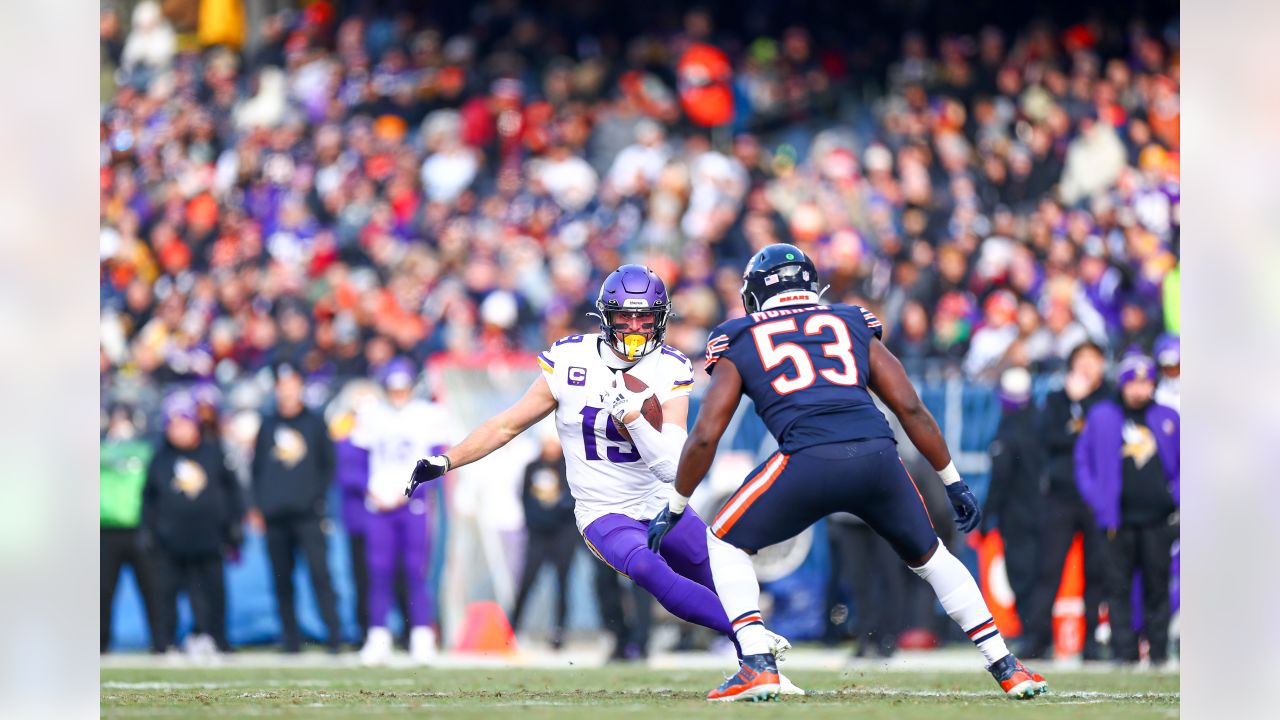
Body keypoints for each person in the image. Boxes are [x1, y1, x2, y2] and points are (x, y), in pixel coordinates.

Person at [649, 244, 1047, 700]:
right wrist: (952, 479)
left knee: (723, 540)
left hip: (807, 458)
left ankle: (757, 662)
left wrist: (676, 504)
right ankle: (1005, 663)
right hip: (878, 457)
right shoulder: (850, 320)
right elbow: (911, 406)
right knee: (932, 558)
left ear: (756, 292)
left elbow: (705, 435)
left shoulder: (740, 334)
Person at [405, 264, 800, 695]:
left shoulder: (668, 367)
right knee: (648, 568)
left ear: (661, 317)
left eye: (644, 316)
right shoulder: (570, 359)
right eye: (624, 316)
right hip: (603, 511)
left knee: (718, 568)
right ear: (605, 316)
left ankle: (763, 670)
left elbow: (673, 464)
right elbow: (506, 425)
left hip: (659, 500)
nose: (634, 327)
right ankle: (755, 643)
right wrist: (448, 461)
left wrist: (633, 417)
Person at [1076, 354, 1179, 667]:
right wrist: (1098, 499)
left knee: (1157, 585)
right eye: (1133, 382)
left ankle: (1158, 651)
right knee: (1117, 587)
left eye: (1145, 382)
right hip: (1116, 519)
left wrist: (1175, 496)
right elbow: (1084, 461)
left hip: (1158, 518)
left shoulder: (1168, 417)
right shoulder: (1103, 416)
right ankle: (1124, 652)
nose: (1139, 389)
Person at [352, 357, 455, 665]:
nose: (398, 393)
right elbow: (355, 459)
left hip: (414, 504)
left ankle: (422, 635)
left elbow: (438, 462)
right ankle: (378, 636)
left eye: (403, 387)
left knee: (415, 570)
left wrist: (408, 493)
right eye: (393, 388)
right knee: (379, 571)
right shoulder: (371, 414)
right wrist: (368, 490)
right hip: (379, 503)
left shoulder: (428, 415)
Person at [247, 363, 344, 653]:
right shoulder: (268, 425)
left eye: (292, 384)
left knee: (320, 575)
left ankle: (335, 636)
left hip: (308, 515)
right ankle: (290, 639)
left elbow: (328, 465)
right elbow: (257, 469)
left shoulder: (315, 423)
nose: (287, 391)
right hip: (275, 516)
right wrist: (257, 507)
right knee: (282, 580)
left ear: (301, 387)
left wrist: (316, 498)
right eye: (282, 385)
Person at [141, 392, 244, 654]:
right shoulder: (160, 458)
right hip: (171, 539)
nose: (180, 430)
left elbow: (232, 490)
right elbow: (149, 498)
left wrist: (234, 524)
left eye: (184, 423)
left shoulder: (213, 452)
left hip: (209, 538)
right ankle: (165, 642)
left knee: (213, 594)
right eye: (173, 424)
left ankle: (216, 639)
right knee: (165, 596)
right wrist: (149, 530)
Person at [1034, 341, 1111, 660]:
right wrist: (1072, 405)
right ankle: (1037, 639)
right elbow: (1048, 437)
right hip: (1062, 496)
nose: (1087, 367)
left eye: (1093, 360)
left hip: (1097, 498)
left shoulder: (1109, 399)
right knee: (1049, 569)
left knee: (1098, 571)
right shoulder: (1056, 399)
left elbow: (1104, 440)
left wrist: (1085, 406)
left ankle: (1092, 642)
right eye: (1081, 360)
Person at [981, 367, 1049, 656]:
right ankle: (1040, 635)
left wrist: (986, 516)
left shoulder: (1008, 430)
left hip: (1018, 515)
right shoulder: (1041, 422)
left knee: (1022, 576)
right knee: (1040, 575)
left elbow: (1000, 479)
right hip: (1044, 511)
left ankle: (1034, 635)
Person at [101, 405, 162, 653]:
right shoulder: (99, 448)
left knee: (153, 590)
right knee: (102, 593)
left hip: (140, 528)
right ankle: (98, 645)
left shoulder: (147, 449)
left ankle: (161, 642)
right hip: (105, 529)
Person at [510, 432, 578, 649]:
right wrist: (536, 521)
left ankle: (559, 631)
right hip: (538, 534)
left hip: (562, 533)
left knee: (563, 583)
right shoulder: (532, 467)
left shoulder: (569, 467)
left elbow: (572, 499)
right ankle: (513, 627)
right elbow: (524, 498)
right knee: (527, 580)